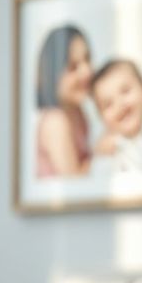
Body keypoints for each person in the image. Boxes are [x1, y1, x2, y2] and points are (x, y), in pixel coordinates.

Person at [35, 25, 93, 176]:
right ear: (52, 74)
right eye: (73, 67)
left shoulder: (78, 112)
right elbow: (73, 182)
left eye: (87, 59)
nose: (86, 71)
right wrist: (100, 152)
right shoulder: (55, 121)